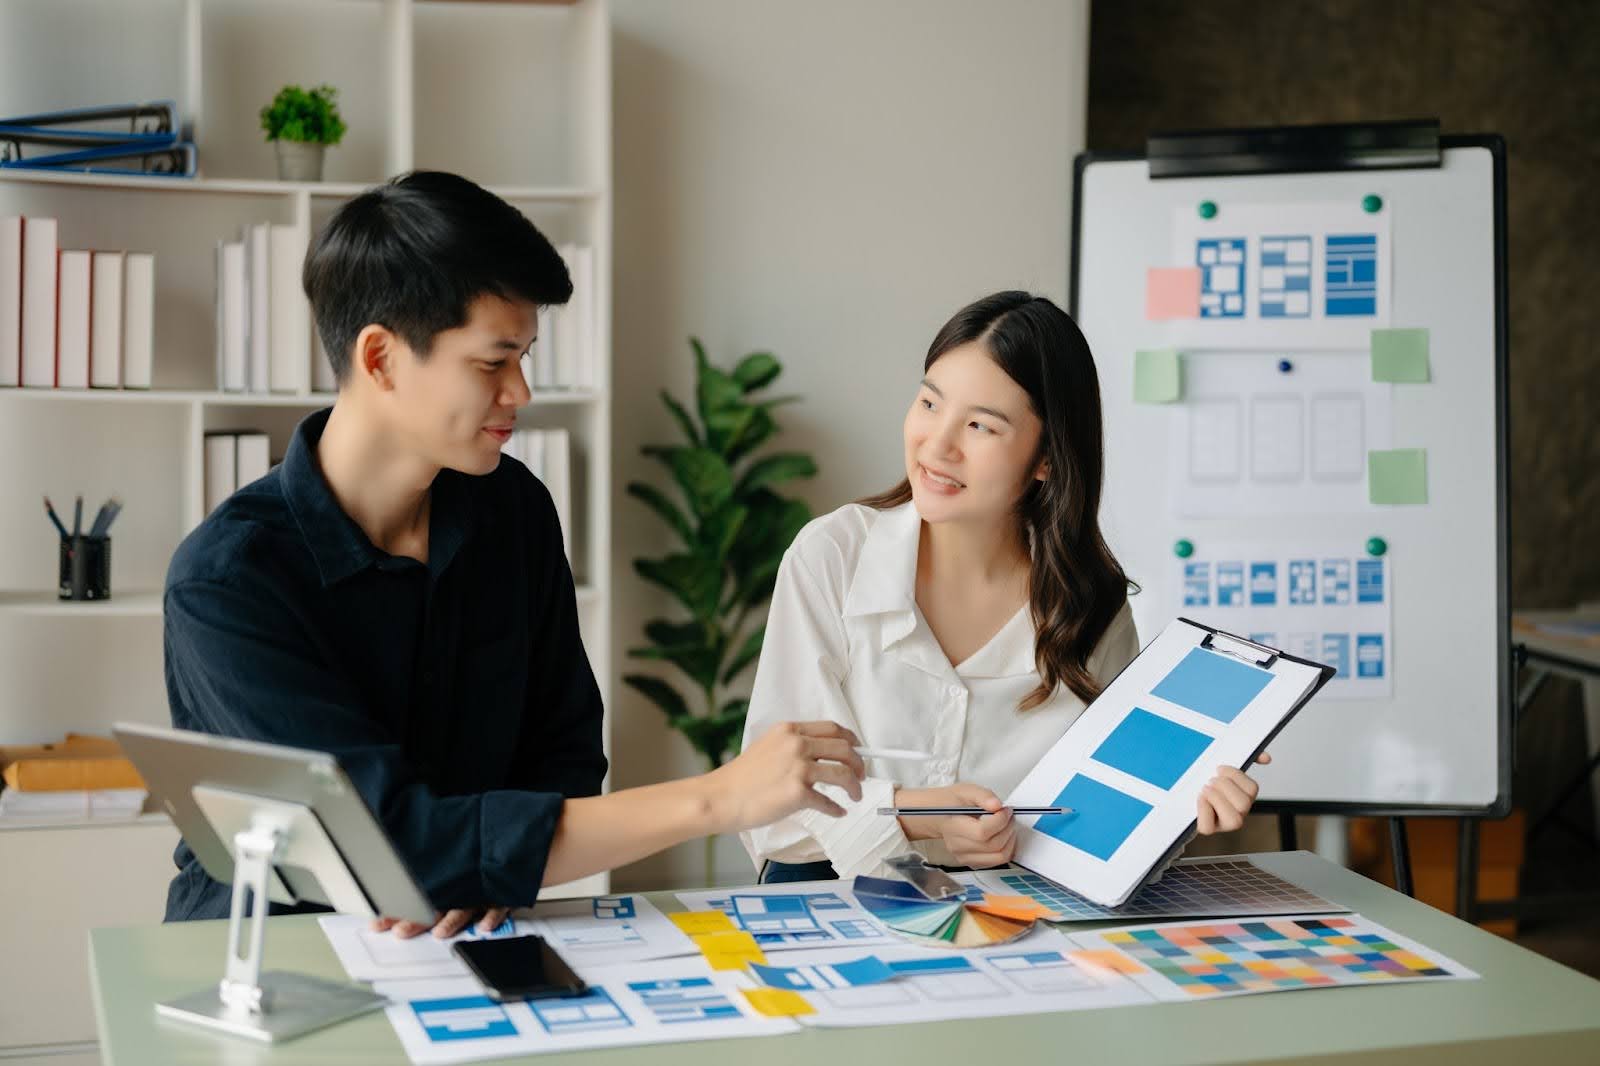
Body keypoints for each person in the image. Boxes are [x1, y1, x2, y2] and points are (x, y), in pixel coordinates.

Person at [162, 171, 862, 936]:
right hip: (277, 951)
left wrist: (479, 869)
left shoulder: (514, 509)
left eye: (524, 357)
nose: (521, 392)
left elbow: (563, 747)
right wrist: (720, 797)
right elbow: (383, 844)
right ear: (380, 359)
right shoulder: (227, 580)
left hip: (478, 934)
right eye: (493, 362)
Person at [741, 290, 1268, 882]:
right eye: (929, 403)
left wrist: (1176, 809)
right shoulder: (834, 556)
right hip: (834, 899)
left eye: (980, 426)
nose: (937, 446)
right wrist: (925, 818)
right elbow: (772, 811)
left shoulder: (1091, 603)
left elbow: (1097, 825)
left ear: (1046, 459)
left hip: (1016, 914)